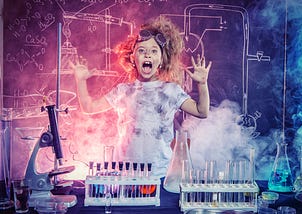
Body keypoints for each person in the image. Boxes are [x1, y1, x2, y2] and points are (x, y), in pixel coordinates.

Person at [72, 16, 212, 178]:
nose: (147, 55)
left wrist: (202, 84)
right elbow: (89, 107)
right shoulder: (123, 90)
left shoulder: (171, 91)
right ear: (133, 58)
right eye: (142, 51)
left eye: (154, 51)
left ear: (161, 59)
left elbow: (202, 112)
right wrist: (81, 81)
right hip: (124, 173)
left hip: (159, 174)